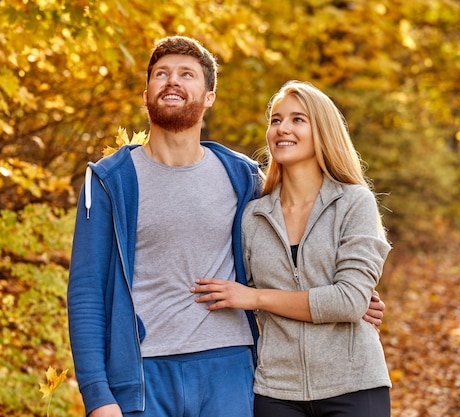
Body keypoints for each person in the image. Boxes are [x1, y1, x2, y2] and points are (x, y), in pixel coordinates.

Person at [67, 37, 386, 417]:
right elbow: (86, 294)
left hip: (231, 371)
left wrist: (350, 298)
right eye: (161, 74)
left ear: (209, 97)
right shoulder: (111, 181)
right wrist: (97, 396)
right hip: (144, 373)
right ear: (145, 93)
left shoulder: (242, 178)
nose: (172, 81)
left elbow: (285, 261)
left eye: (187, 74)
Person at [192, 80, 392, 417]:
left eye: (298, 119)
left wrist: (257, 298)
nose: (282, 128)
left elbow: (349, 300)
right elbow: (231, 287)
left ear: (323, 131)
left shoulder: (354, 203)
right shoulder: (253, 216)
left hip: (354, 384)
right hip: (275, 391)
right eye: (275, 120)